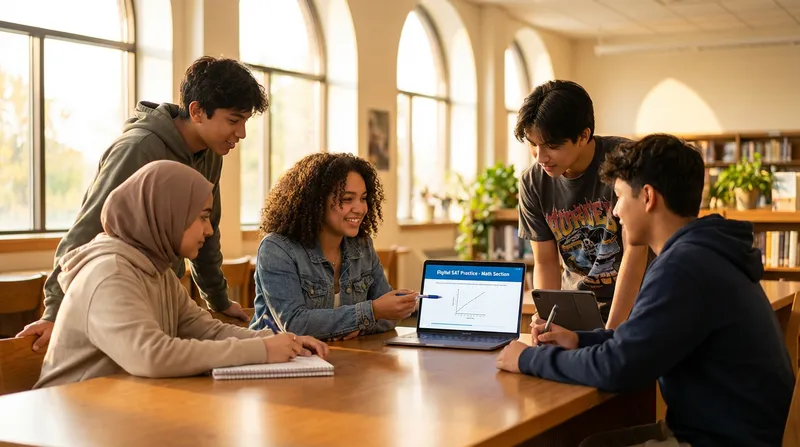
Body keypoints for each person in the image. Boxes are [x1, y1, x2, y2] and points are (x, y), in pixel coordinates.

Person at [496, 134, 794, 447]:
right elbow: (640, 339)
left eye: (620, 197)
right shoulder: (699, 253)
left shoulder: (684, 268)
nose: (615, 212)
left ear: (648, 197)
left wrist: (528, 359)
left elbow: (619, 367)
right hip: (726, 430)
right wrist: (578, 339)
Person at [18, 56, 269, 351]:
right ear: (197, 111)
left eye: (245, 122)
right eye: (233, 121)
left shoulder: (211, 153)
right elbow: (84, 233)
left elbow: (207, 228)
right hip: (119, 295)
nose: (241, 134)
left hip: (163, 291)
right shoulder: (138, 149)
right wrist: (53, 312)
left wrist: (218, 299)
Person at [35, 161, 327, 389]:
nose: (209, 230)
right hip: (68, 422)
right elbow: (152, 356)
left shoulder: (155, 268)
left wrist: (283, 341)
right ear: (168, 213)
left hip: (119, 412)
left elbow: (207, 330)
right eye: (202, 216)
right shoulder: (109, 273)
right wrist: (261, 350)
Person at [514, 80, 649, 328]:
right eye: (534, 144)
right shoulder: (532, 182)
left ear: (583, 135)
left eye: (552, 146)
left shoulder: (626, 162)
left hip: (638, 307)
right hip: (576, 310)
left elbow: (635, 252)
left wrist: (612, 332)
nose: (541, 157)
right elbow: (545, 262)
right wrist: (548, 319)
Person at [249, 153, 418, 340]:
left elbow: (389, 315)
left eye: (363, 198)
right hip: (277, 362)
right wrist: (372, 312)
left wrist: (360, 324)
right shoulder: (277, 249)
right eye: (347, 199)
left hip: (342, 358)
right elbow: (295, 324)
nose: (360, 208)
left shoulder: (362, 246)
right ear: (316, 202)